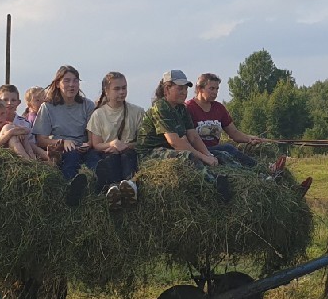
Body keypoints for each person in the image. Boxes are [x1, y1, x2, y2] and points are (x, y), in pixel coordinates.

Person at [137, 70, 229, 192]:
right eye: (180, 88)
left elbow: (194, 137)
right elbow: (175, 142)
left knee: (221, 154)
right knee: (188, 156)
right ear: (167, 89)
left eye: (186, 89)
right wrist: (204, 158)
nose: (184, 93)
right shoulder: (160, 107)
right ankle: (213, 183)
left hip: (168, 149)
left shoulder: (181, 108)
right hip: (150, 153)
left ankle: (243, 173)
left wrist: (208, 155)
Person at [34, 64, 94, 202]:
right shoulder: (48, 107)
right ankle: (71, 187)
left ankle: (104, 188)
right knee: (71, 157)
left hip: (83, 147)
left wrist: (88, 144)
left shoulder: (88, 105)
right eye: (67, 80)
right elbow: (41, 140)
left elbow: (92, 136)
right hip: (63, 149)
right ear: (58, 84)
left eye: (75, 80)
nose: (71, 85)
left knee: (95, 159)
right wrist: (62, 142)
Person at [185, 73, 266, 167]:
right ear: (200, 89)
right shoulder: (188, 108)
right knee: (228, 149)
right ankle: (257, 168)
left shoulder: (219, 108)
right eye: (211, 88)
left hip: (215, 148)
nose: (215, 92)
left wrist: (249, 138)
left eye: (217, 89)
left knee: (227, 150)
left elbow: (234, 133)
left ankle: (260, 169)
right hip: (197, 151)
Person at [88, 71, 144, 206]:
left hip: (129, 153)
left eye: (124, 88)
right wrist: (111, 144)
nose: (122, 92)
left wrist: (125, 146)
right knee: (110, 159)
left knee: (127, 156)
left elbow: (143, 141)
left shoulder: (137, 112)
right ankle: (113, 190)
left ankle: (130, 186)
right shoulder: (98, 115)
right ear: (106, 91)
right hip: (108, 155)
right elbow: (96, 144)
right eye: (117, 88)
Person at [0, 84, 46, 161]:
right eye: (5, 100)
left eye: (13, 100)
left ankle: (44, 158)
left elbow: (32, 144)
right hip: (0, 157)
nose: (9, 103)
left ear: (18, 102)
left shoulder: (24, 123)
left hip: (21, 156)